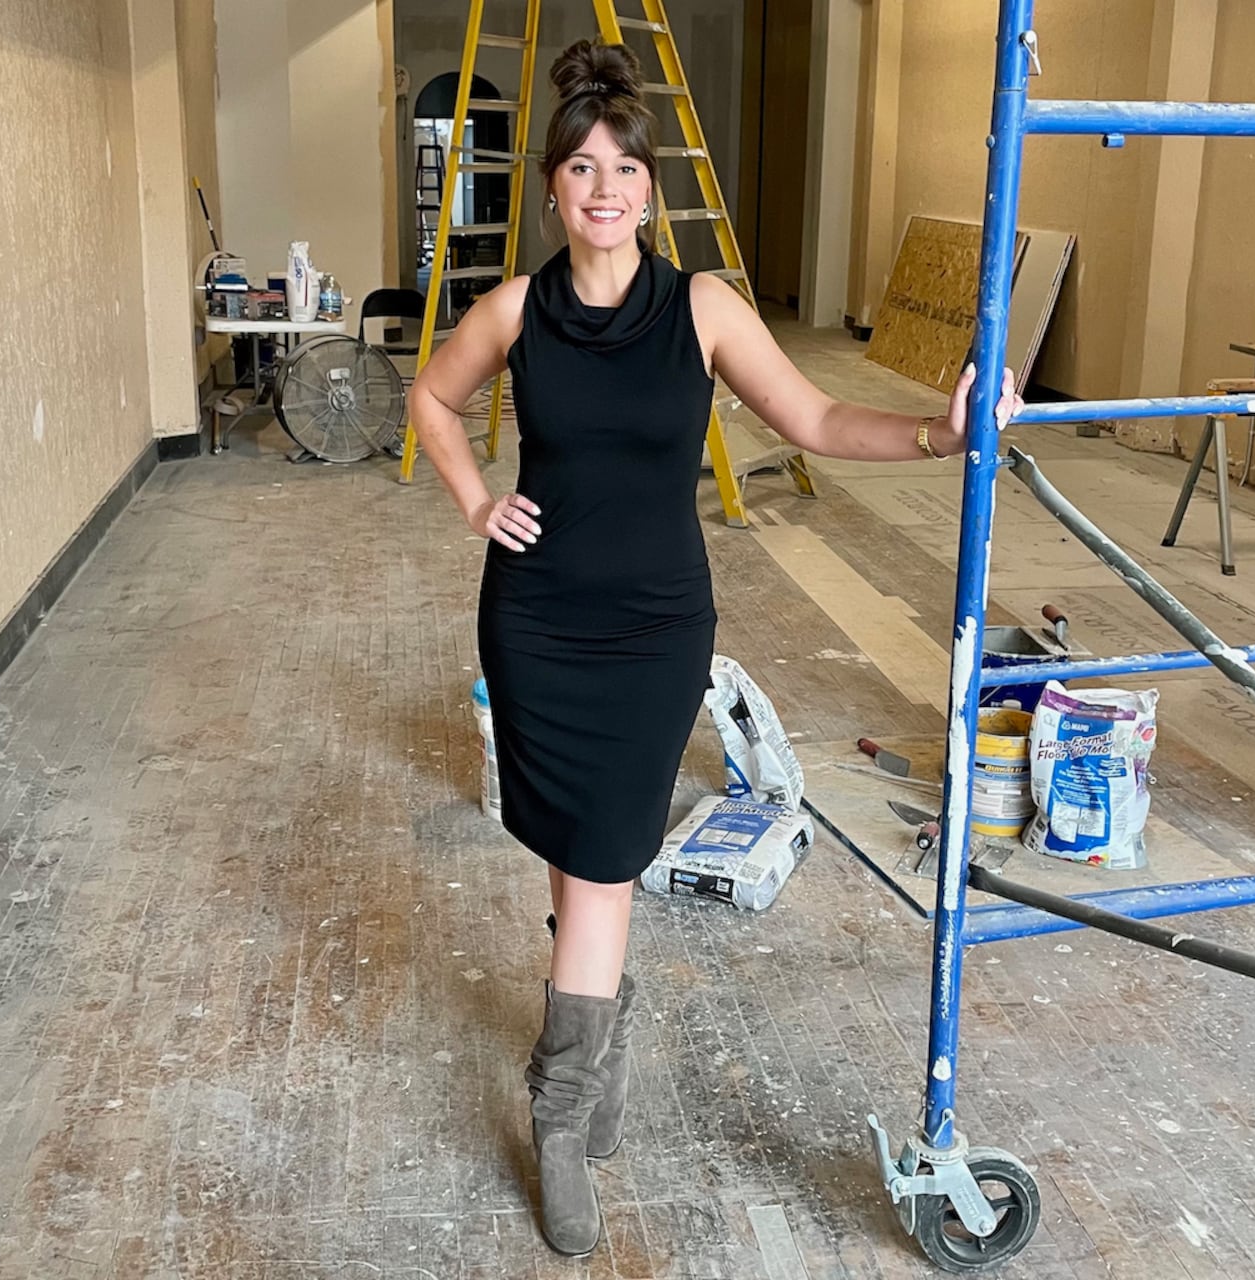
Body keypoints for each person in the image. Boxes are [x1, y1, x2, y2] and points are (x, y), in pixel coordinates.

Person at [407, 37, 1022, 1258]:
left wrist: (939, 437)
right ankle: (581, 1076)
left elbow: (817, 416)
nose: (602, 189)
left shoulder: (697, 306)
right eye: (579, 169)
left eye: (622, 170)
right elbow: (429, 397)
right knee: (587, 862)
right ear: (551, 190)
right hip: (535, 623)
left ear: (649, 190)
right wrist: (476, 497)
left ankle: (565, 1094)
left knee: (603, 857)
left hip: (652, 634)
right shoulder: (517, 309)